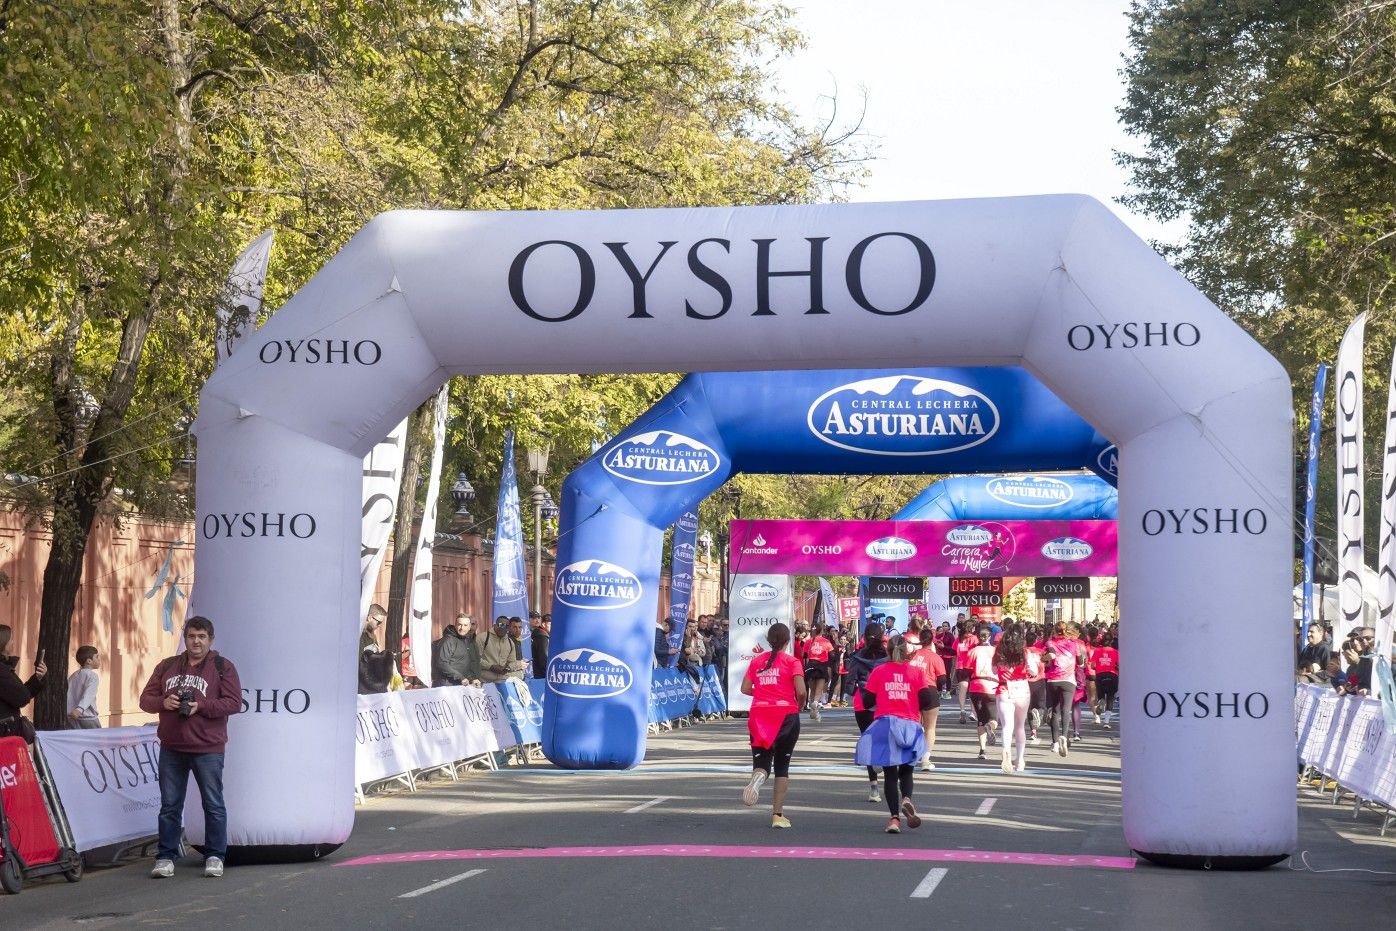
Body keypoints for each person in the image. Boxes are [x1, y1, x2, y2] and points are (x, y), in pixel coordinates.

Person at [139, 616, 242, 879]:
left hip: (208, 747)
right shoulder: (167, 666)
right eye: (191, 636)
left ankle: (215, 855)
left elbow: (233, 703)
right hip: (172, 747)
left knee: (213, 804)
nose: (196, 641)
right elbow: (145, 700)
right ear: (185, 639)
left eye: (201, 636)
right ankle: (165, 857)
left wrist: (201, 706)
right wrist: (165, 702)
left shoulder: (222, 667)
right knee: (170, 805)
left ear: (210, 639)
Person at [854, 634, 932, 834]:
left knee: (889, 773)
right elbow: (926, 700)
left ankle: (894, 819)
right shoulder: (916, 672)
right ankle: (907, 798)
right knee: (906, 770)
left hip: (885, 724)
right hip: (910, 725)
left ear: (887, 651)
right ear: (907, 652)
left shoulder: (879, 671)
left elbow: (868, 701)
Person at [740, 622, 805, 829]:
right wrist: (799, 705)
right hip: (785, 714)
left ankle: (759, 776)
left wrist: (762, 694)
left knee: (762, 762)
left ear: (769, 640)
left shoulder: (757, 661)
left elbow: (744, 688)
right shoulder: (792, 661)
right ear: (787, 641)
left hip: (759, 714)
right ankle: (777, 815)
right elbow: (801, 691)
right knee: (782, 766)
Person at [845, 622, 890, 802]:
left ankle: (874, 788)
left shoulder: (856, 658)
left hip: (862, 702)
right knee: (884, 739)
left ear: (864, 637)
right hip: (883, 700)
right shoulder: (888, 658)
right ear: (882, 636)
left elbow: (849, 683)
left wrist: (853, 691)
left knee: (868, 738)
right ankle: (889, 777)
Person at [993, 625, 1033, 774]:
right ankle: (1020, 759)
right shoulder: (1025, 652)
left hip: (1004, 688)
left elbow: (993, 670)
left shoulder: (998, 652)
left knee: (1006, 726)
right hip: (1022, 687)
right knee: (1020, 726)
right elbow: (1033, 670)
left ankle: (1006, 752)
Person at [1044, 621, 1086, 757]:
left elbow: (1049, 657)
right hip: (1069, 680)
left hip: (1053, 680)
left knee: (1055, 711)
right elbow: (1081, 662)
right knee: (1066, 710)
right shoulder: (1075, 644)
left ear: (1055, 631)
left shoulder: (1050, 643)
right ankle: (1064, 736)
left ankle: (1055, 742)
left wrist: (1044, 658)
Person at [0, 624, 46, 743]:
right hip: (5, 733)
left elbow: (18, 693)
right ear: (3, 642)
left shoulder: (4, 668)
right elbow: (21, 697)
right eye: (11, 639)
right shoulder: (1, 670)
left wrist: (37, 678)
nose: (13, 642)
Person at [907, 633, 947, 770]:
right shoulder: (935, 657)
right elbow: (942, 679)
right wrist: (939, 689)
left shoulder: (911, 655)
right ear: (932, 641)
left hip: (912, 691)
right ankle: (925, 760)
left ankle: (909, 756)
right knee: (930, 728)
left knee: (913, 726)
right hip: (929, 690)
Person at [965, 623, 999, 760]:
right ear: (989, 637)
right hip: (992, 686)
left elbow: (966, 670)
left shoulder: (972, 651)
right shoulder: (996, 651)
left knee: (980, 719)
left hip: (976, 685)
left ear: (978, 637)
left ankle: (982, 750)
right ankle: (990, 726)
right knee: (994, 718)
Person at [432, 613, 482, 687]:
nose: (462, 628)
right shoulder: (448, 640)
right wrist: (460, 677)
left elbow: (463, 665)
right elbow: (442, 664)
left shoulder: (465, 640)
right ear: (455, 625)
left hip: (459, 686)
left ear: (469, 627)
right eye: (459, 624)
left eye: (465, 625)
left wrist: (472, 679)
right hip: (446, 686)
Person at [803, 623, 834, 720]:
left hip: (810, 666)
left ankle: (814, 712)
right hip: (821, 666)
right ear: (821, 631)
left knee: (812, 690)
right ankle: (815, 704)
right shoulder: (826, 641)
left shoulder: (808, 642)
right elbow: (832, 655)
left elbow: (804, 656)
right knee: (818, 691)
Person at [67, 644, 102, 728]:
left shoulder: (73, 676)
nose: (99, 659)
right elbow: (89, 694)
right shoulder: (92, 676)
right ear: (89, 661)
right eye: (97, 657)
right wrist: (79, 709)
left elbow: (68, 694)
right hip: (88, 718)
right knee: (96, 740)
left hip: (72, 719)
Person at [479, 616, 524, 683]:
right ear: (494, 625)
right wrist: (490, 667)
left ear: (508, 628)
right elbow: (474, 659)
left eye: (506, 626)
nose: (503, 628)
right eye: (501, 625)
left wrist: (508, 668)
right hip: (484, 681)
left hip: (502, 681)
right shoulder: (482, 638)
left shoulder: (510, 643)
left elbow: (512, 662)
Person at [1092, 636, 1120, 729]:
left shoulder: (1097, 651)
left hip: (1100, 675)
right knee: (1111, 698)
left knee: (1101, 694)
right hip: (1112, 675)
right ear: (1111, 641)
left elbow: (1092, 665)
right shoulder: (1115, 652)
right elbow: (1119, 665)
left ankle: (1101, 701)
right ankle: (1107, 722)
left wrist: (1098, 667)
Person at [954, 620, 976, 724]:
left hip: (960, 667)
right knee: (973, 691)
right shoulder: (974, 639)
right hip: (972, 667)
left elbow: (954, 650)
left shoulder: (959, 639)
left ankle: (962, 710)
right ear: (972, 628)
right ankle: (973, 712)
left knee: (962, 691)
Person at [532, 613, 551, 677]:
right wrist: (548, 673)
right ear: (543, 624)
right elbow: (544, 657)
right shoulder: (542, 637)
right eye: (550, 624)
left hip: (537, 673)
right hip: (541, 675)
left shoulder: (540, 634)